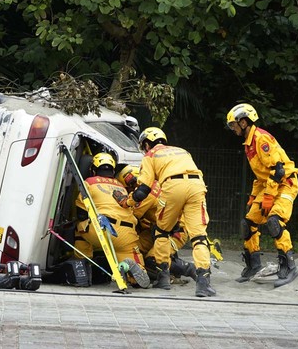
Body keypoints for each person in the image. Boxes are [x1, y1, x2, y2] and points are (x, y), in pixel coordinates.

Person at [113, 127, 216, 297]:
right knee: (199, 236)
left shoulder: (150, 155)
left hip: (173, 186)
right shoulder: (182, 151)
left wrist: (127, 202)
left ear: (146, 144)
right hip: (197, 186)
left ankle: (163, 278)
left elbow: (143, 190)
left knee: (161, 232)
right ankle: (203, 283)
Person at [226, 103, 298, 287]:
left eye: (233, 125)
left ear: (244, 122)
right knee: (248, 223)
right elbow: (261, 176)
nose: (232, 129)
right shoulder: (248, 144)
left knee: (274, 221)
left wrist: (268, 197)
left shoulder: (261, 139)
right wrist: (253, 198)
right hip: (269, 185)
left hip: (285, 184)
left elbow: (278, 171)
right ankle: (254, 265)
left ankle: (289, 267)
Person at [74, 152, 150, 289]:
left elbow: (81, 213)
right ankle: (129, 267)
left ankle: (83, 266)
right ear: (113, 171)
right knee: (135, 266)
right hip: (127, 234)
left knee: (80, 228)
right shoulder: (122, 187)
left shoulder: (89, 183)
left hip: (103, 229)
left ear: (93, 169)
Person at [116, 164, 197, 284]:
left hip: (177, 231)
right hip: (158, 230)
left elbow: (131, 214)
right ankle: (169, 271)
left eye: (127, 188)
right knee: (133, 248)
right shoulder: (154, 185)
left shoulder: (144, 195)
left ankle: (189, 269)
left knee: (153, 260)